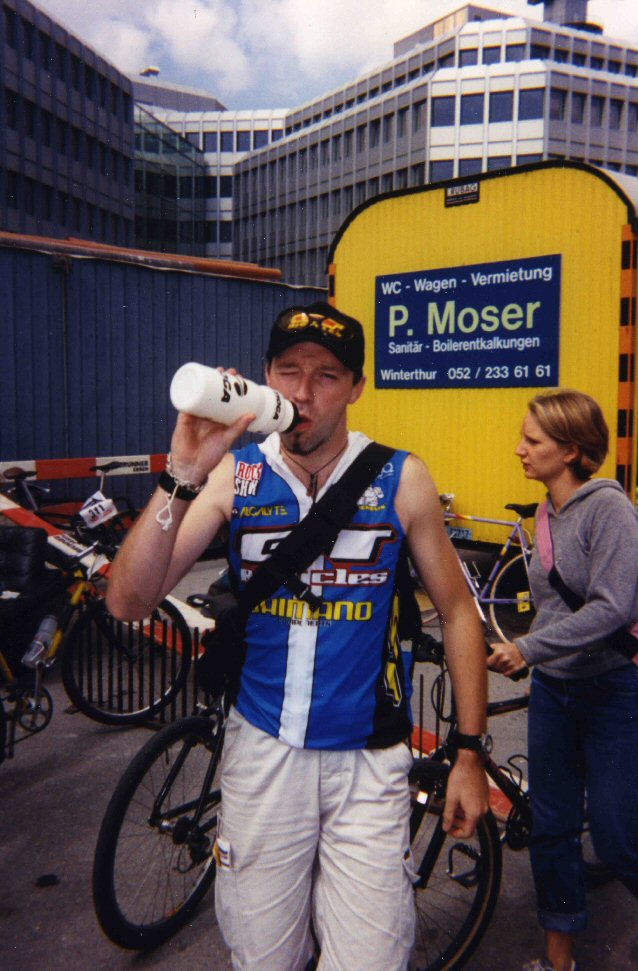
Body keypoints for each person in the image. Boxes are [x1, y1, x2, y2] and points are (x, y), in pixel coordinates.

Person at [107, 301, 489, 971]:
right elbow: (129, 600)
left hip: (369, 760)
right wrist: (182, 472)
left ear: (357, 387)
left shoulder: (401, 476)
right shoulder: (237, 473)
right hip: (262, 752)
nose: (303, 393)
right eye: (289, 370)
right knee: (263, 957)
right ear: (266, 376)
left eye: (327, 375)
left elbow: (458, 612)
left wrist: (468, 753)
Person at [487, 389, 638, 971]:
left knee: (618, 835)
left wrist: (526, 648)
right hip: (554, 690)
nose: (519, 449)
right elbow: (552, 607)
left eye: (533, 440)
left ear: (571, 450)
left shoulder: (610, 511)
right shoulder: (546, 512)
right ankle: (559, 961)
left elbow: (610, 608)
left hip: (611, 690)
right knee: (551, 827)